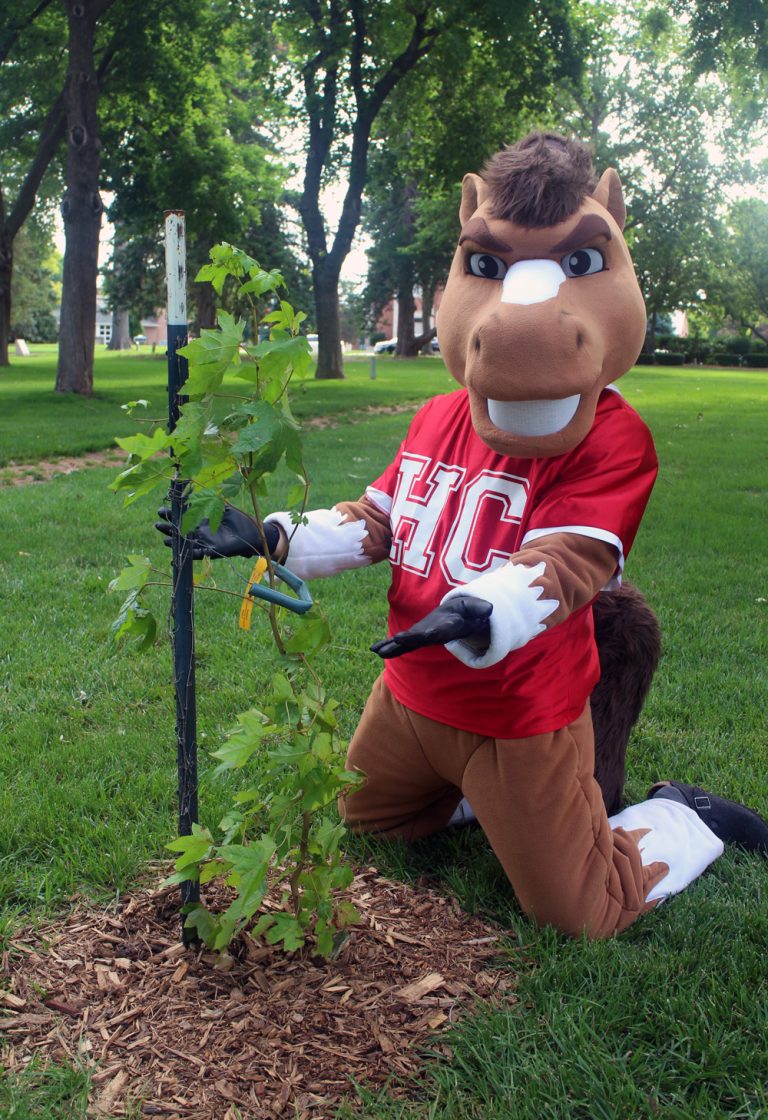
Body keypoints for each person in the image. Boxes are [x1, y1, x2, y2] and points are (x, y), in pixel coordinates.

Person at [159, 132, 768, 938]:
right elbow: (379, 521)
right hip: (409, 701)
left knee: (584, 910)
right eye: (487, 265)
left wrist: (485, 608)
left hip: (519, 716)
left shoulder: (615, 439)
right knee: (368, 820)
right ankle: (482, 805)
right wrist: (267, 534)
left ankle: (684, 817)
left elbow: (573, 560)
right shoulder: (440, 415)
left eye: (580, 263)